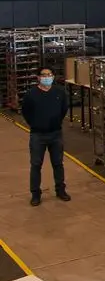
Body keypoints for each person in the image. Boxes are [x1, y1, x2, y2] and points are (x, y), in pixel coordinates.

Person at [22, 67, 70, 206]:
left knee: (58, 163)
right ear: (38, 78)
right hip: (38, 135)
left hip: (55, 134)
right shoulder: (31, 94)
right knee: (36, 165)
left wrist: (55, 124)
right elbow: (26, 112)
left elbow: (63, 110)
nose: (47, 77)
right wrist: (36, 124)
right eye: (44, 75)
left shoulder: (59, 93)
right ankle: (35, 194)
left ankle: (60, 190)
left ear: (53, 77)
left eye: (49, 75)